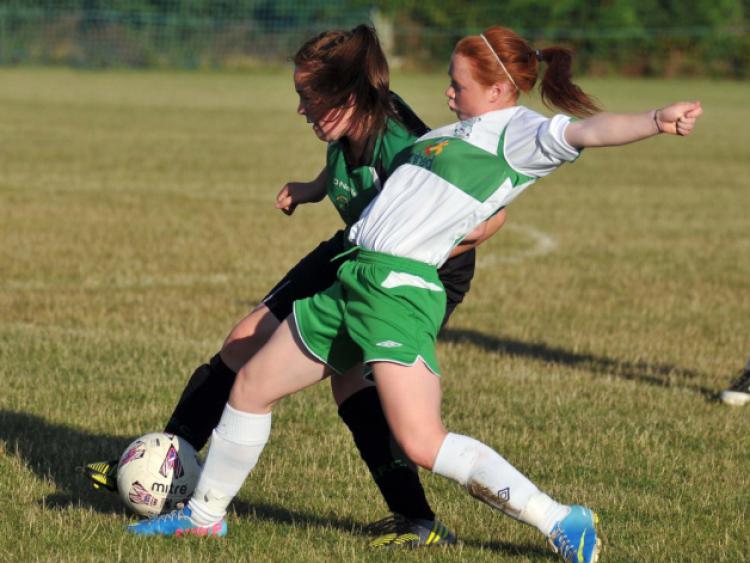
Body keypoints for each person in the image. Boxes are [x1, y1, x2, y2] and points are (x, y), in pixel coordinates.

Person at [126, 26, 702, 563]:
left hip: (397, 293)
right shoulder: (451, 133)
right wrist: (315, 188)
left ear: (499, 89)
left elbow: (590, 131)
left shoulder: (522, 134)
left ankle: (560, 519)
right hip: (353, 278)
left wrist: (656, 118)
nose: (448, 95)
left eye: (459, 84)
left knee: (423, 440)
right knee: (251, 386)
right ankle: (203, 518)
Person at [84, 25, 505, 547]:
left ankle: (417, 519)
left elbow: (483, 215)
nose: (301, 109)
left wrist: (421, 255)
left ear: (345, 93)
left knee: (352, 384)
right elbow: (346, 168)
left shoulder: (401, 143)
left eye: (308, 96)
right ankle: (162, 465)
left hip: (414, 272)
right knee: (243, 341)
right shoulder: (351, 124)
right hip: (354, 248)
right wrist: (310, 188)